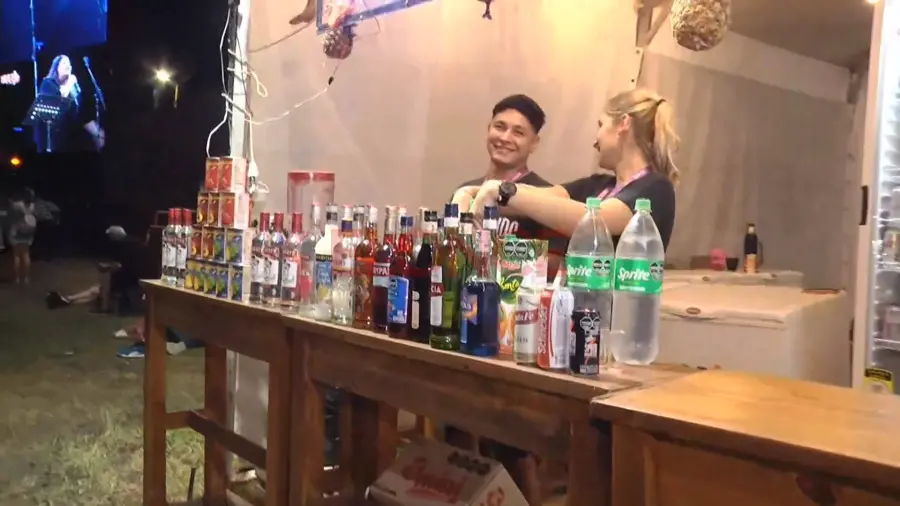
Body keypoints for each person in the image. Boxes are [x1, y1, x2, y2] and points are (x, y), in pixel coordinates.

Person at [456, 88, 678, 251]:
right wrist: (469, 192)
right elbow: (540, 196)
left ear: (623, 124)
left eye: (601, 125)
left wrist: (500, 191)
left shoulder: (655, 188)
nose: (596, 140)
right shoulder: (597, 184)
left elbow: (591, 219)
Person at [36, 55, 105, 153]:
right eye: (64, 63)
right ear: (56, 68)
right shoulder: (48, 83)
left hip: (72, 135)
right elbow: (60, 102)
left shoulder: (73, 87)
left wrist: (96, 132)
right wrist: (70, 83)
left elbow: (80, 113)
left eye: (69, 63)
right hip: (55, 137)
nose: (68, 65)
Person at [9, 187, 37, 285]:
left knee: (17, 256)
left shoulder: (17, 205)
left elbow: (11, 207)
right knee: (26, 255)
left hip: (17, 232)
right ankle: (26, 278)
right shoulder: (33, 207)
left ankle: (17, 278)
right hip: (28, 232)